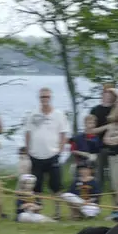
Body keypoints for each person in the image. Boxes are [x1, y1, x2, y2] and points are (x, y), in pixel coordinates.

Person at [23, 87, 70, 219]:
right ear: (39, 99)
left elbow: (63, 133)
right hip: (36, 155)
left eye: (47, 97)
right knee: (36, 185)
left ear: (50, 98)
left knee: (56, 185)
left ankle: (57, 212)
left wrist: (60, 150)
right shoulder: (33, 114)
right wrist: (28, 150)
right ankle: (37, 210)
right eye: (42, 97)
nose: (45, 99)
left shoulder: (59, 115)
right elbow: (28, 132)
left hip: (52, 155)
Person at [90, 85, 118, 194]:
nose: (108, 96)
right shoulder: (95, 110)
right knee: (99, 173)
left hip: (115, 146)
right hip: (100, 147)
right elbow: (90, 130)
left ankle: (115, 193)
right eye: (106, 93)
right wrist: (106, 127)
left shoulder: (116, 110)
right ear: (102, 95)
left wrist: (116, 92)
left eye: (110, 94)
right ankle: (98, 193)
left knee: (114, 175)